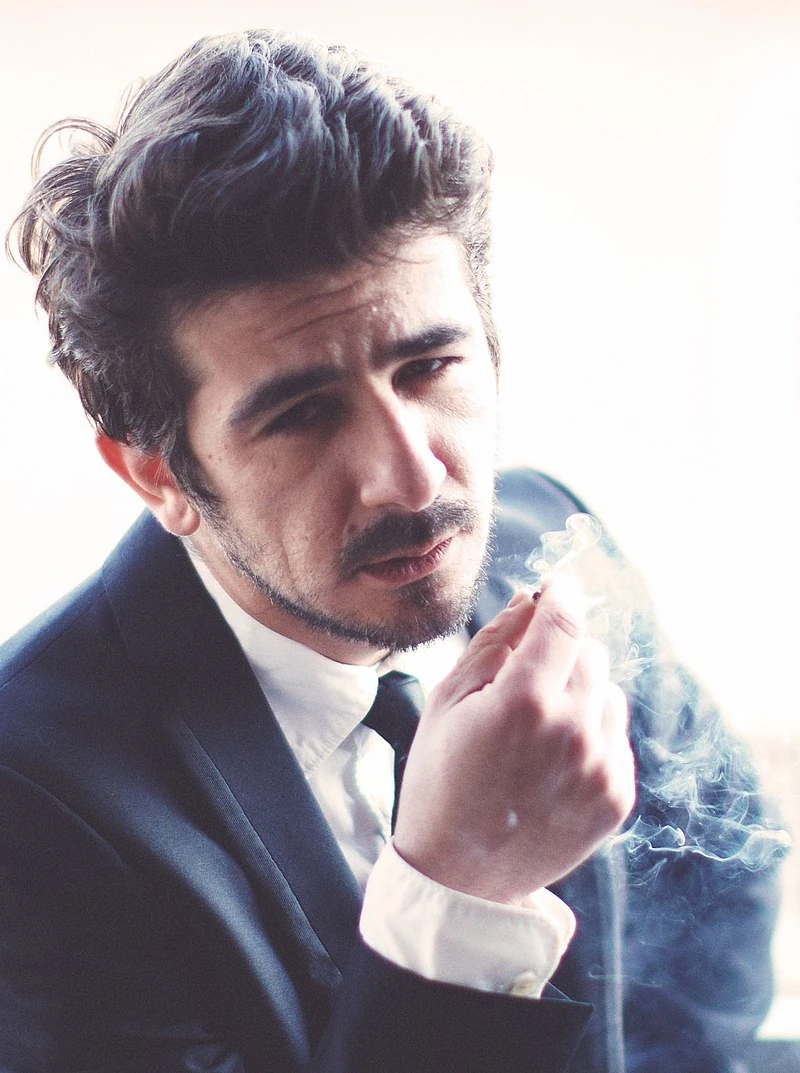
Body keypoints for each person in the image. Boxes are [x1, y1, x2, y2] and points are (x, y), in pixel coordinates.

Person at [0, 29, 781, 1073]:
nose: (413, 481)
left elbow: (720, 909)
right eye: (303, 414)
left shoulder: (549, 537)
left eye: (428, 368)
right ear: (156, 473)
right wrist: (460, 890)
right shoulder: (30, 802)